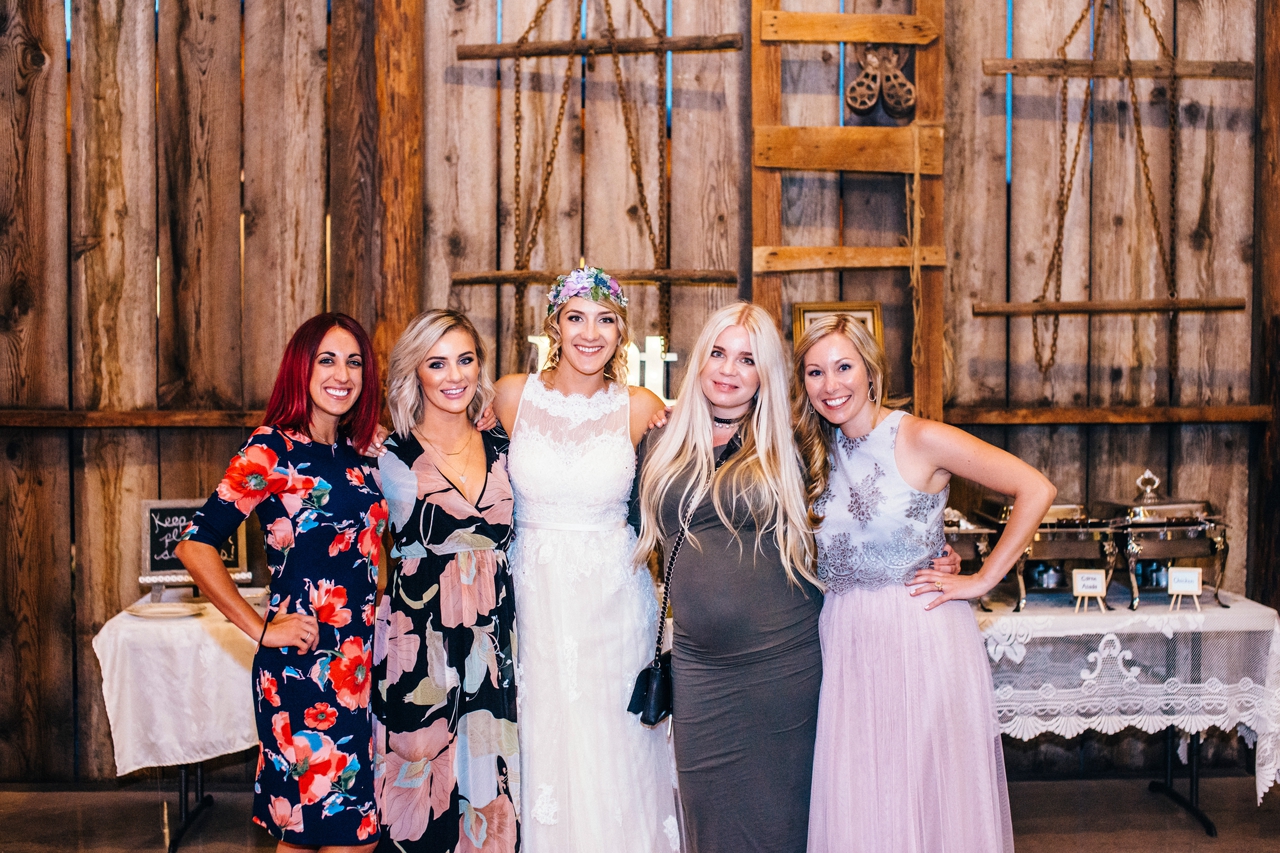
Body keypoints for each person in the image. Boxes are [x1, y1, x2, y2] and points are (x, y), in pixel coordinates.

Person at [795, 315, 1056, 853]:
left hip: (918, 635)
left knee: (920, 794)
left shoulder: (920, 436)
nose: (831, 385)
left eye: (844, 367)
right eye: (815, 372)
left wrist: (982, 579)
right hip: (845, 641)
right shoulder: (817, 450)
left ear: (871, 371)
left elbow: (1035, 488)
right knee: (863, 797)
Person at [177, 313, 388, 852]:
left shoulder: (364, 450)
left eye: (354, 362)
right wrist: (262, 628)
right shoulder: (271, 449)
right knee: (345, 837)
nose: (343, 374)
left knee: (310, 837)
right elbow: (195, 545)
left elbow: (372, 543)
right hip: (302, 670)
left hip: (360, 668)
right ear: (301, 368)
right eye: (327, 360)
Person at [492, 267, 679, 852]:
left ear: (621, 332)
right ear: (555, 325)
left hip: (614, 601)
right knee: (540, 732)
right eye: (576, 318)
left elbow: (684, 479)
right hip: (534, 597)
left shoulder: (640, 406)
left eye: (605, 321)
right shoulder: (512, 396)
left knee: (611, 743)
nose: (590, 334)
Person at [630, 302, 822, 853]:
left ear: (766, 375)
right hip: (699, 669)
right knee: (707, 822)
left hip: (781, 668)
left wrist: (924, 548)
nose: (728, 370)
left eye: (747, 359)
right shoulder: (661, 439)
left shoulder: (793, 443)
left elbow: (861, 511)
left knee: (780, 823)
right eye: (718, 353)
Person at [372, 310, 519, 852]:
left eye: (465, 360)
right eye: (437, 363)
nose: (454, 376)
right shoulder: (386, 455)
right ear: (415, 371)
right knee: (420, 788)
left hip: (494, 644)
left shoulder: (504, 443)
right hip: (419, 645)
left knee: (489, 787)